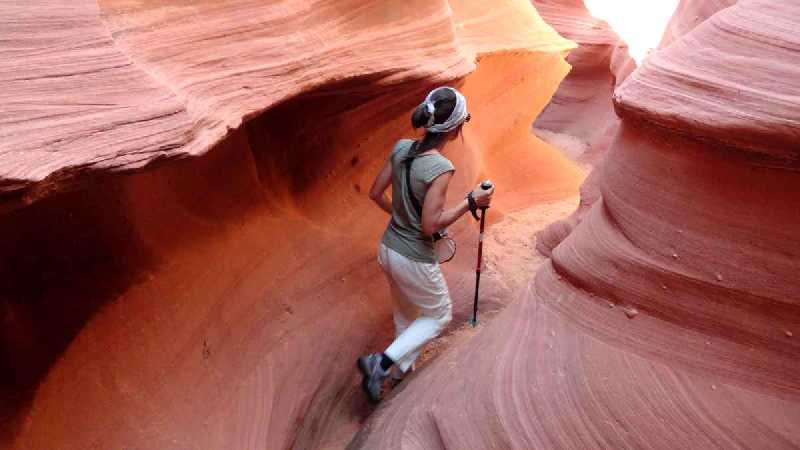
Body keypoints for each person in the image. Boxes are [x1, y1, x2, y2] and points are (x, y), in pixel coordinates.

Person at [357, 86, 494, 402]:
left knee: (406, 316)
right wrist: (471, 201)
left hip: (388, 248)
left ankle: (401, 374)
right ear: (457, 128)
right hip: (413, 257)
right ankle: (380, 365)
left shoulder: (401, 148)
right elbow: (431, 225)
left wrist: (403, 217)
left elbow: (375, 193)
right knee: (439, 314)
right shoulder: (441, 168)